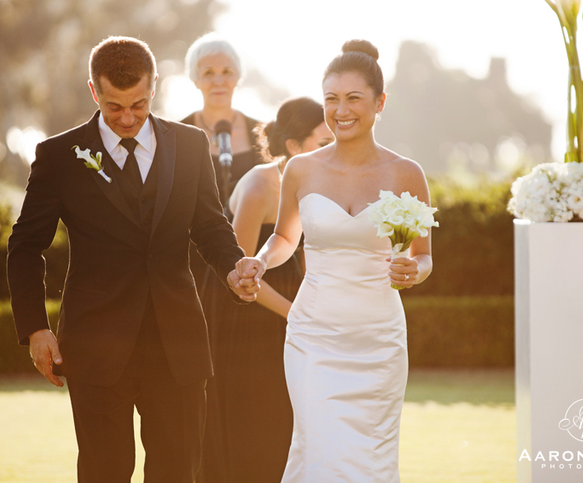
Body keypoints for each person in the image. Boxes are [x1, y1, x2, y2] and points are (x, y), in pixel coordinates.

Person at [7, 36, 258, 483]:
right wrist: (35, 328)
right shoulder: (59, 155)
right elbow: (25, 246)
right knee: (103, 473)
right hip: (95, 347)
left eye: (138, 105)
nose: (127, 118)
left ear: (154, 87)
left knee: (178, 473)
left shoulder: (190, 144)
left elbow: (210, 227)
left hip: (178, 346)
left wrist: (233, 268)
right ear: (94, 91)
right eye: (114, 107)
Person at [235, 40, 433, 482]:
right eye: (331, 98)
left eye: (353, 98)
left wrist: (413, 271)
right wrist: (261, 261)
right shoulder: (301, 169)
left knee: (370, 460)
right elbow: (285, 237)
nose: (340, 111)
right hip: (313, 336)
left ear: (380, 102)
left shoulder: (406, 173)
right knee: (319, 450)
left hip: (379, 340)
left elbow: (422, 257)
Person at [198, 98, 333, 483]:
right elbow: (240, 275)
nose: (332, 150)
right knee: (259, 418)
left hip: (291, 305)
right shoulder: (261, 185)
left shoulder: (320, 180)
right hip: (246, 314)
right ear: (293, 145)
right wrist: (296, 313)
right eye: (323, 143)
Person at [180, 33, 263, 299]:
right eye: (208, 73)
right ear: (195, 79)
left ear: (238, 77)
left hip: (255, 266)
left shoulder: (262, 133)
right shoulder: (176, 136)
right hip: (196, 268)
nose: (218, 81)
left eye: (226, 72)